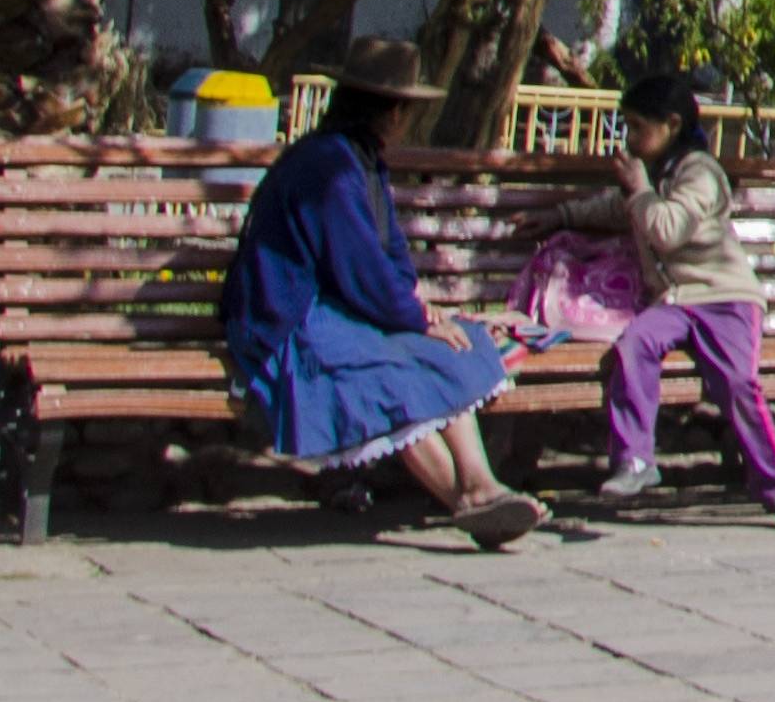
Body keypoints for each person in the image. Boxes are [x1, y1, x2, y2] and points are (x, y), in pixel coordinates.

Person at [218, 40, 541, 550]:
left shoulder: (362, 161)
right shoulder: (325, 167)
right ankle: (469, 499)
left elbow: (387, 255)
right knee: (388, 375)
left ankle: (482, 486)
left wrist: (418, 307)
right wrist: (409, 313)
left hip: (343, 308)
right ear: (391, 110)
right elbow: (358, 266)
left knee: (445, 348)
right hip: (295, 320)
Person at [546, 65, 775, 524]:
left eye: (637, 127)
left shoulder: (701, 174)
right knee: (634, 346)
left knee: (735, 383)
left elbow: (667, 230)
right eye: (625, 126)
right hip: (675, 302)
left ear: (671, 125)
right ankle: (635, 460)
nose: (628, 137)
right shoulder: (655, 174)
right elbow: (619, 210)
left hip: (725, 297)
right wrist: (562, 216)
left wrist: (639, 190)